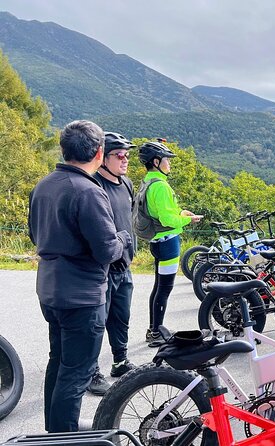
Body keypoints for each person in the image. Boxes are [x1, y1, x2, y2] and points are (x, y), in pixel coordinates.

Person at [28, 120, 132, 432]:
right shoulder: (89, 191)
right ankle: (65, 434)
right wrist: (124, 238)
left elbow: (35, 235)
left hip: (50, 289)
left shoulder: (44, 185)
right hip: (82, 296)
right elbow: (106, 250)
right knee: (77, 371)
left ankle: (56, 428)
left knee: (58, 361)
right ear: (99, 152)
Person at [85, 132, 138, 396]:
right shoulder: (94, 186)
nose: (125, 159)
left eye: (127, 155)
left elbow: (127, 218)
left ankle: (120, 361)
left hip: (124, 265)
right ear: (103, 158)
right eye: (119, 155)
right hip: (103, 268)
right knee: (97, 322)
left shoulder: (126, 183)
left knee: (121, 318)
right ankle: (91, 373)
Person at [138, 140, 202, 347]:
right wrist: (187, 219)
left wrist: (181, 212)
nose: (169, 164)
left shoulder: (148, 182)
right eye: (166, 160)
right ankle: (157, 332)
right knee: (164, 288)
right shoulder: (161, 186)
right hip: (168, 242)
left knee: (158, 286)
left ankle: (153, 328)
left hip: (157, 241)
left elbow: (161, 213)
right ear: (156, 162)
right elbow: (167, 220)